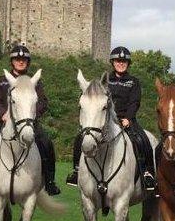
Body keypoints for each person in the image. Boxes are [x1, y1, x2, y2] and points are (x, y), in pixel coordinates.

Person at [66, 46, 157, 191]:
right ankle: (77, 170)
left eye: (124, 61)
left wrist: (128, 118)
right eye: (118, 61)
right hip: (106, 120)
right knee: (80, 138)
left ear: (128, 64)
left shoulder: (133, 82)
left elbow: (135, 102)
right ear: (112, 62)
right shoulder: (105, 81)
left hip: (127, 120)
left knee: (142, 139)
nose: (121, 63)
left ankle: (148, 173)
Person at [0, 44, 61, 196]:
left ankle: (50, 182)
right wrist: (2, 113)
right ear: (12, 61)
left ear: (28, 62)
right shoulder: (2, 80)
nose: (21, 62)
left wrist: (31, 116)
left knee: (46, 143)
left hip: (29, 123)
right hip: (6, 122)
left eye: (24, 59)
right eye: (17, 59)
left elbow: (43, 102)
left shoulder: (34, 81)